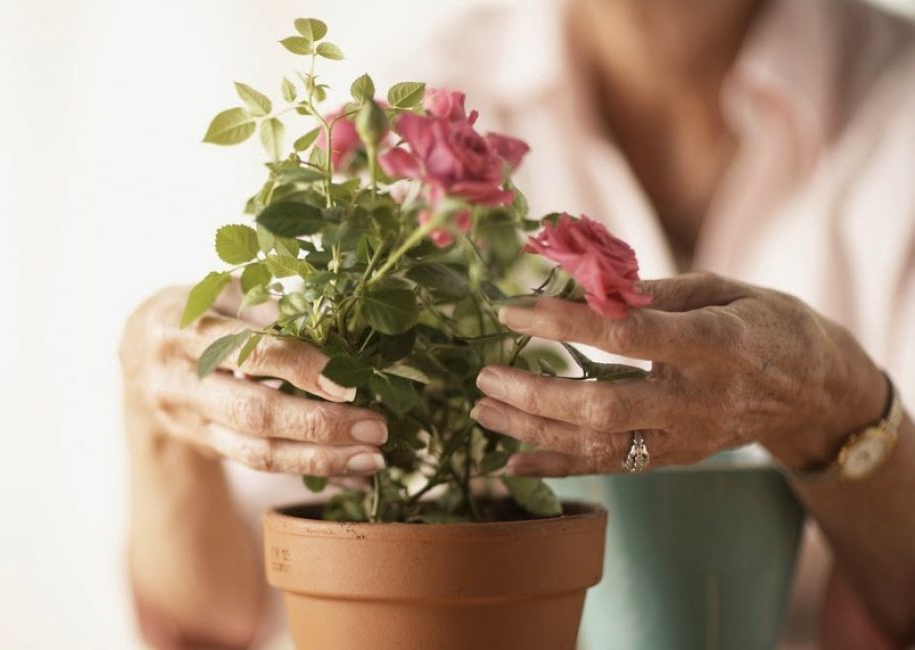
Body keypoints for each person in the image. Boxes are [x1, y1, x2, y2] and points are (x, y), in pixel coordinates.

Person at [119, 0, 915, 647]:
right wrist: (160, 423)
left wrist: (838, 402)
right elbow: (222, 615)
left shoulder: (896, 107)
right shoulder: (422, 110)